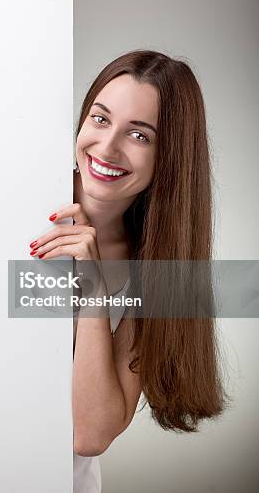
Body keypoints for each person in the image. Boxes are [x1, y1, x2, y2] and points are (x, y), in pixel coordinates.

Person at [28, 50, 226, 492]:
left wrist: (94, 287)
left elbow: (91, 435)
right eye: (100, 119)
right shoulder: (22, 200)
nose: (108, 147)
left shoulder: (155, 273)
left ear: (170, 157)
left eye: (139, 134)